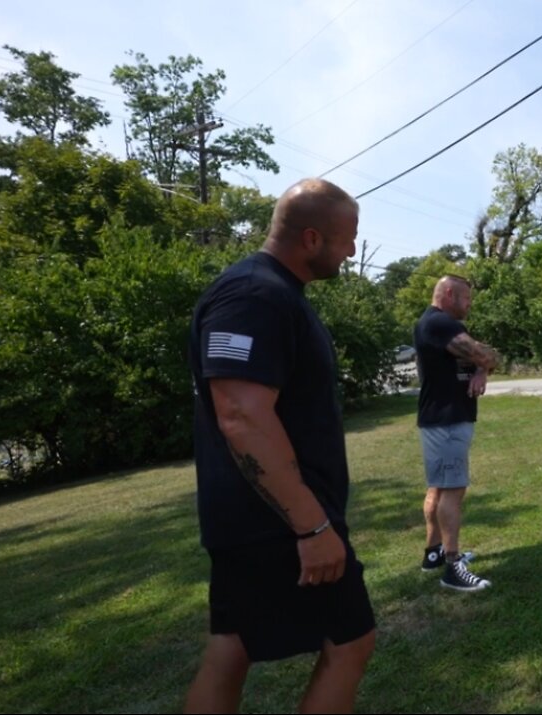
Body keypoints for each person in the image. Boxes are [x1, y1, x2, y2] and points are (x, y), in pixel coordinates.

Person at [184, 178, 375, 713]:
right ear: (311, 239)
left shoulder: (273, 293)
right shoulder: (253, 294)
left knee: (232, 646)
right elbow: (241, 415)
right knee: (350, 639)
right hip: (276, 522)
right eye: (348, 238)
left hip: (260, 520)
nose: (353, 250)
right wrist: (311, 525)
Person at [414, 275, 500, 592]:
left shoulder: (438, 326)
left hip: (438, 418)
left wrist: (480, 370)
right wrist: (483, 364)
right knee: (453, 489)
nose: (469, 306)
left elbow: (483, 356)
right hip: (447, 420)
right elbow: (490, 355)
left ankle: (433, 553)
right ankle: (452, 567)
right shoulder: (440, 324)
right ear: (449, 294)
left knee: (437, 488)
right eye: (466, 300)